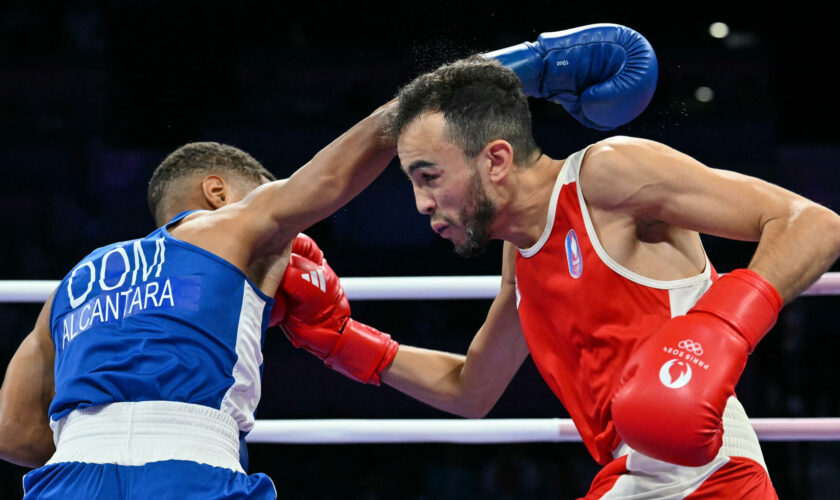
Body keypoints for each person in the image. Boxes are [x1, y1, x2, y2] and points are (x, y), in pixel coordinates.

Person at [274, 27, 840, 499]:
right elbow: (472, 387)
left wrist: (717, 332)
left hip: (711, 469)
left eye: (429, 176)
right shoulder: (520, 256)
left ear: (496, 159)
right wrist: (340, 340)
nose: (422, 203)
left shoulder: (605, 176)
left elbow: (814, 224)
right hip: (633, 477)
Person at [0, 101, 398, 497]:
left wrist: (98, 444)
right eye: (265, 194)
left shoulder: (71, 284)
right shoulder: (232, 227)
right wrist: (420, 100)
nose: (286, 235)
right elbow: (329, 178)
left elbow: (13, 433)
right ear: (218, 193)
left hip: (68, 479)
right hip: (191, 472)